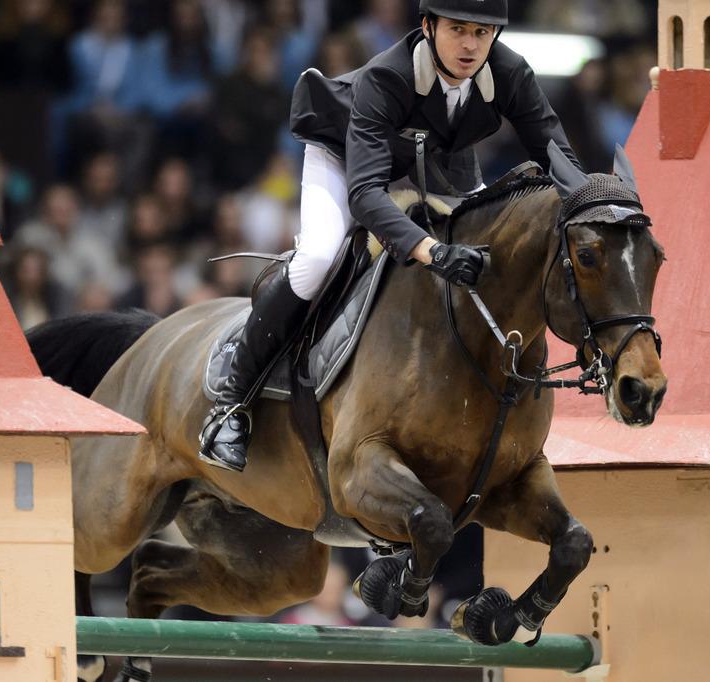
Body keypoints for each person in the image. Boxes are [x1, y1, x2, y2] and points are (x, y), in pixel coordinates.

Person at [199, 0, 581, 472]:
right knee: (318, 257)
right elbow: (365, 194)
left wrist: (595, 199)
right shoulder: (389, 76)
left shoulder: (509, 71)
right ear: (428, 25)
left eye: (482, 33)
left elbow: (553, 147)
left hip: (436, 158)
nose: (469, 45)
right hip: (347, 157)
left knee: (494, 250)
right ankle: (231, 404)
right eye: (457, 29)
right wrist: (431, 250)